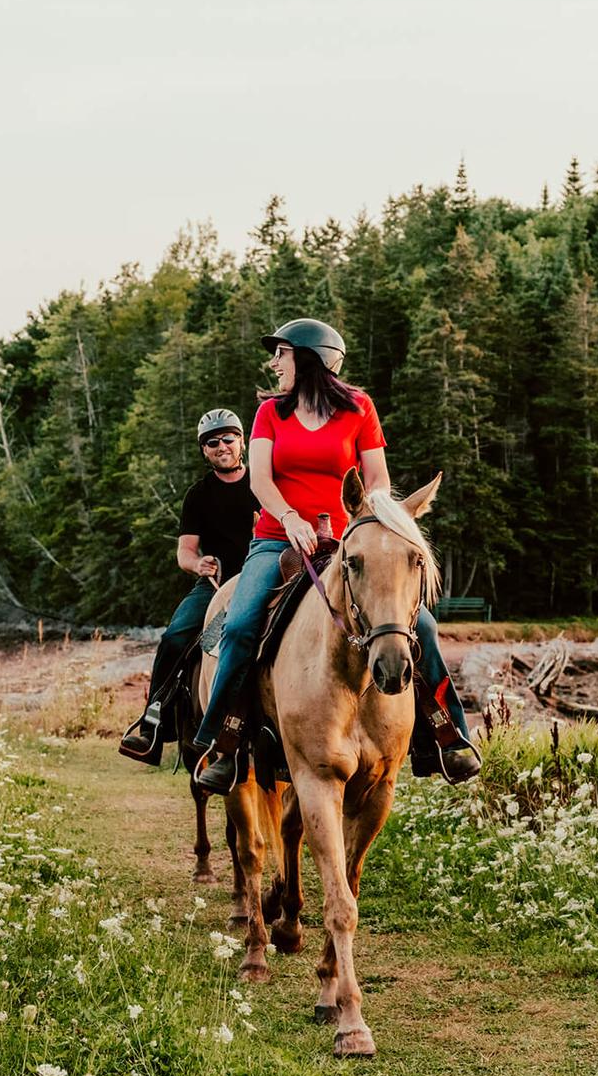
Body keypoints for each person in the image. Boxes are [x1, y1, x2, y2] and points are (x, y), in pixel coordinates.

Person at [189, 318, 480, 795]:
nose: (274, 362)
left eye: (281, 354)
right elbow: (260, 478)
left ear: (309, 358)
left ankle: (447, 737)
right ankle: (223, 742)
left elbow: (379, 480)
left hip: (349, 544)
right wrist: (288, 518)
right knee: (240, 626)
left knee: (420, 626)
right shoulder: (270, 414)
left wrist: (371, 521)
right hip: (277, 539)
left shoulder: (359, 409)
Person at [117, 408, 259, 762]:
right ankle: (155, 722)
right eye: (213, 442)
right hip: (216, 585)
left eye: (229, 438)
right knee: (177, 636)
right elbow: (185, 551)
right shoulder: (198, 495)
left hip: (264, 580)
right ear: (204, 451)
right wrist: (198, 564)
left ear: (242, 441)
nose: (222, 446)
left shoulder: (262, 484)